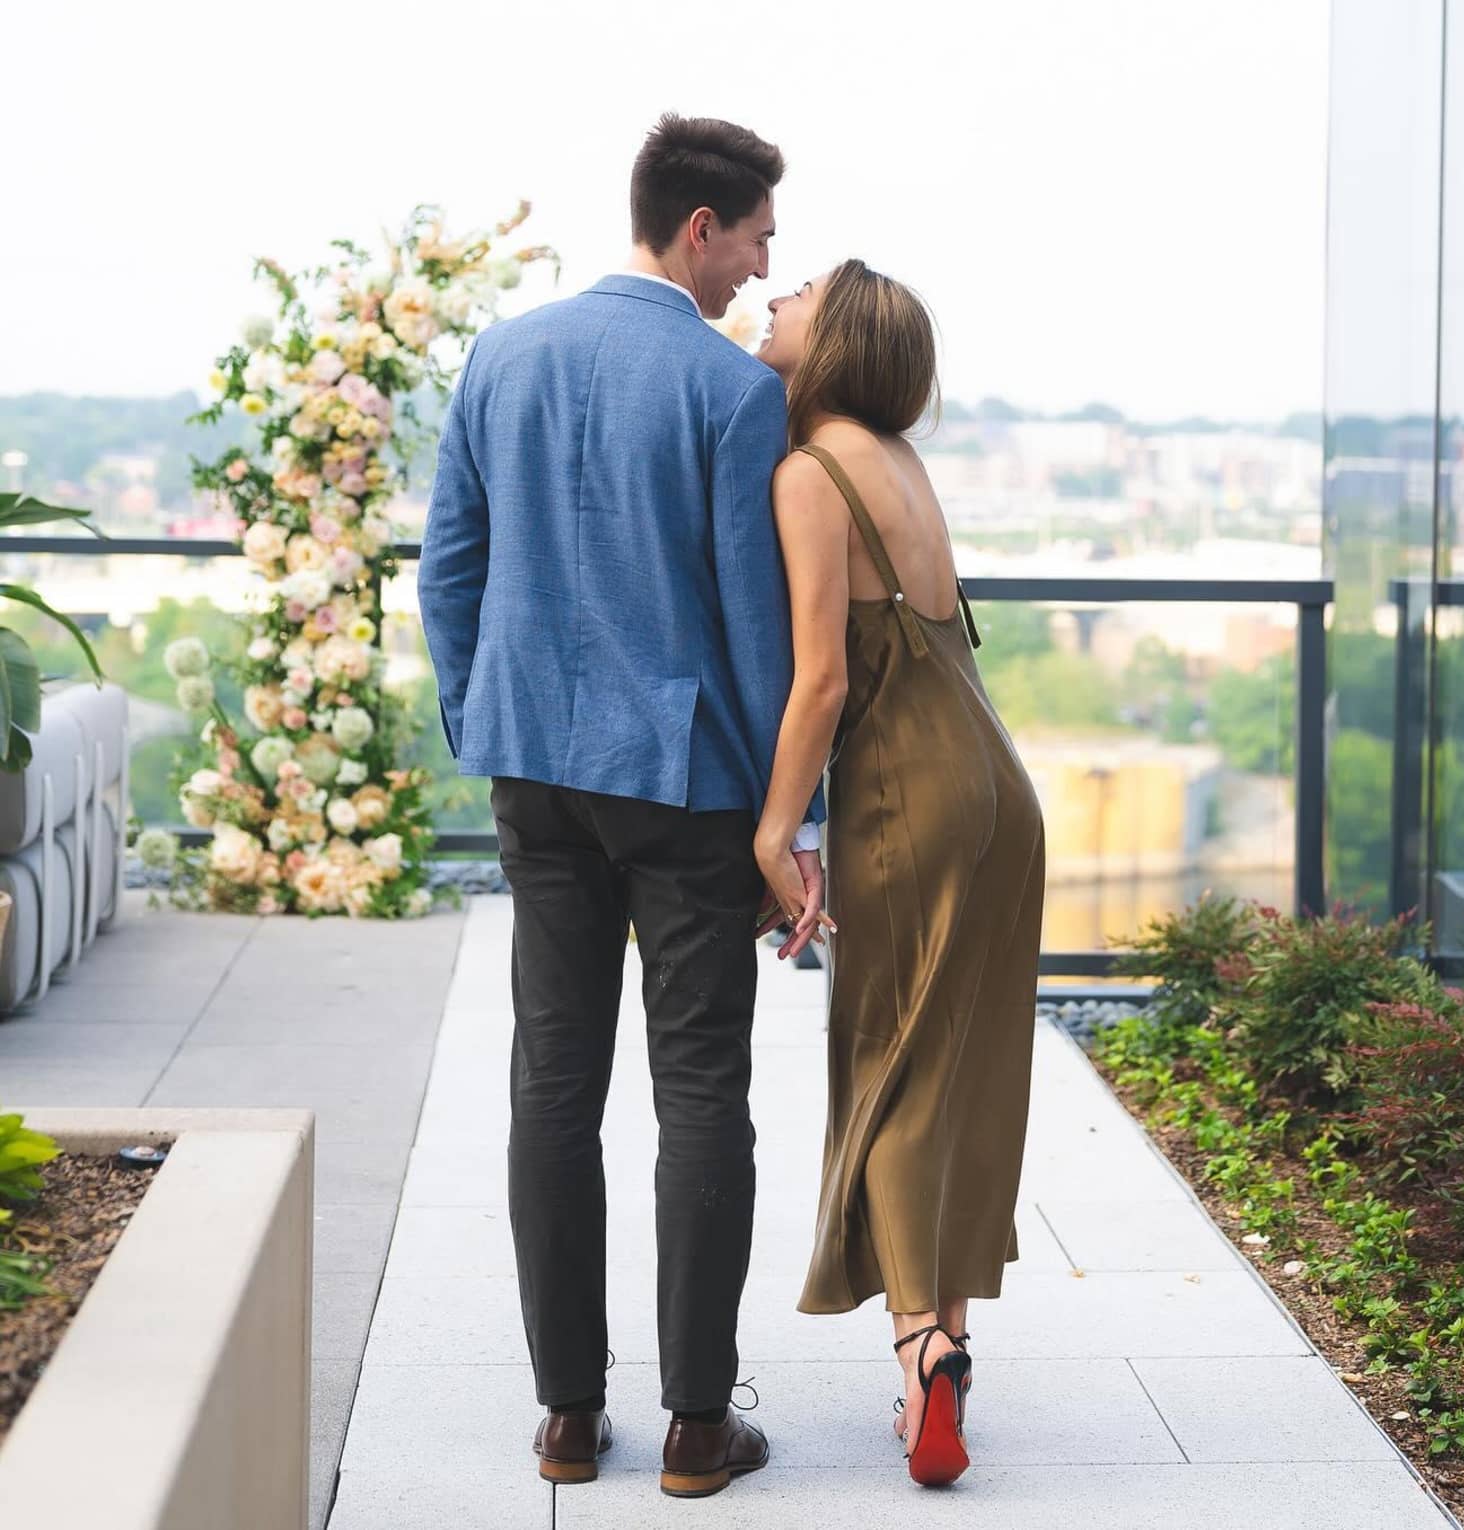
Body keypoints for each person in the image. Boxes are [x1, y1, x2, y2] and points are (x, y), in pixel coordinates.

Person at [417, 113, 826, 1500]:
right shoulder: (729, 393)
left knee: (552, 1082)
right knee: (701, 1089)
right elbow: (756, 628)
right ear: (697, 227)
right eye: (758, 237)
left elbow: (448, 571)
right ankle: (700, 1428)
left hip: (534, 774)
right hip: (689, 784)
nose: (762, 264)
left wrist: (486, 722)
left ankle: (569, 1419)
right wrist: (795, 820)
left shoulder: (500, 354)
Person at [750, 260, 1046, 1486]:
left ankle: (922, 1344)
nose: (779, 296)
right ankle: (947, 1351)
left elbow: (823, 682)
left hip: (906, 790)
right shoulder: (902, 465)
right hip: (997, 784)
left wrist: (778, 833)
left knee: (886, 1060)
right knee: (959, 1068)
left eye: (802, 293)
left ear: (836, 344)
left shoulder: (812, 474)